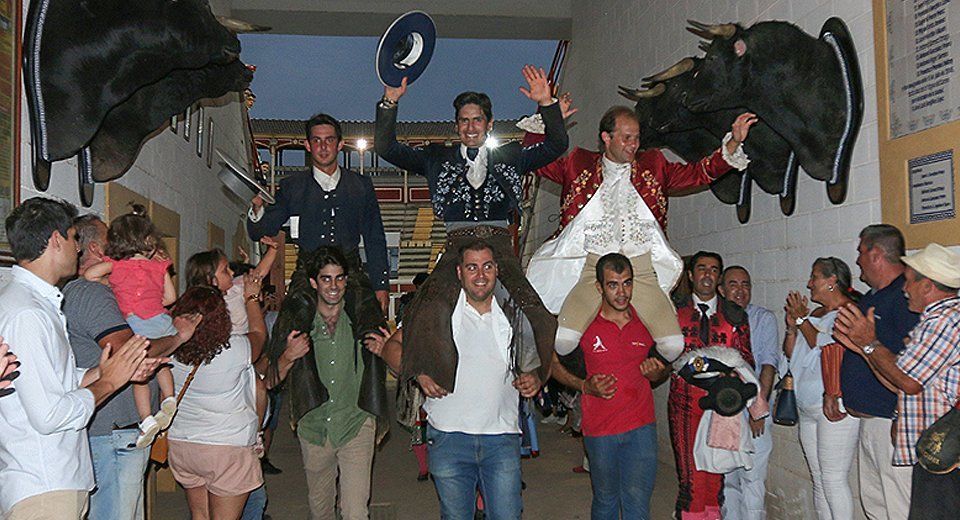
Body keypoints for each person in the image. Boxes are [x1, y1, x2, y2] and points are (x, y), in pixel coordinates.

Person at [374, 65, 567, 395]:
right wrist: (389, 101)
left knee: (535, 312)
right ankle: (432, 378)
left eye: (477, 119)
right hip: (455, 248)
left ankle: (531, 377)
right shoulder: (436, 157)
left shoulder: (511, 155)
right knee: (426, 309)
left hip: (500, 248)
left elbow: (556, 145)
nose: (470, 126)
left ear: (489, 124)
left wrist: (547, 104)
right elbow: (387, 148)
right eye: (464, 120)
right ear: (456, 126)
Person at [525, 104, 756, 360]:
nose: (633, 144)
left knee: (673, 347)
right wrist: (547, 116)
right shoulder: (579, 163)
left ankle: (633, 356)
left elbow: (698, 173)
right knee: (564, 342)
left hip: (640, 269)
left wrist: (733, 143)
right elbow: (537, 161)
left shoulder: (654, 164)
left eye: (636, 138)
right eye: (626, 138)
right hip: (594, 269)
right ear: (606, 138)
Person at [0, 197, 160, 519]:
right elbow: (50, 415)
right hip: (43, 484)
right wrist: (110, 383)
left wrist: (101, 371)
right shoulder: (27, 313)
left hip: (55, 480)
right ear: (56, 240)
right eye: (74, 238)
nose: (78, 248)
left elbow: (54, 381)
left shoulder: (36, 302)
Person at [365, 240, 544, 519]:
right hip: (450, 439)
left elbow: (539, 358)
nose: (480, 275)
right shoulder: (436, 312)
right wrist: (420, 371)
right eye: (472, 267)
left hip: (501, 439)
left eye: (487, 266)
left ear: (497, 270)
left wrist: (533, 378)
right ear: (459, 272)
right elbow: (391, 349)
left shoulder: (515, 313)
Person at [65, 213, 200, 520]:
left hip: (112, 431)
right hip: (112, 433)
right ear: (100, 249)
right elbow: (136, 351)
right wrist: (179, 336)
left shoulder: (97, 289)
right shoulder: (93, 293)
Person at [259, 247, 388, 520]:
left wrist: (384, 352)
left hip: (356, 423)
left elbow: (398, 368)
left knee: (356, 512)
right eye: (326, 278)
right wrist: (288, 356)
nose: (334, 286)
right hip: (314, 428)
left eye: (339, 278)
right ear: (314, 282)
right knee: (321, 511)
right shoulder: (297, 323)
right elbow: (271, 380)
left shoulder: (361, 320)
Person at [834, 243, 960, 520]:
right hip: (932, 449)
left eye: (909, 281)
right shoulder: (935, 320)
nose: (905, 289)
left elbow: (909, 382)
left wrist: (869, 344)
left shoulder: (944, 321)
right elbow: (897, 381)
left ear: (927, 286)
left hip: (944, 452)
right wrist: (863, 349)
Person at [247, 112, 389, 338]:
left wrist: (381, 285)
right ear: (307, 145)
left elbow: (374, 237)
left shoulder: (360, 185)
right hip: (307, 271)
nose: (323, 147)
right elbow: (259, 231)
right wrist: (257, 210)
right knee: (287, 331)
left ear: (340, 144)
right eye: (317, 140)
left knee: (376, 332)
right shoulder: (292, 186)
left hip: (350, 270)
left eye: (329, 140)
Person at [548, 252, 665, 519]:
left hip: (641, 428)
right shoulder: (583, 324)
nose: (622, 292)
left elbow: (663, 367)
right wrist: (585, 386)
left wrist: (657, 372)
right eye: (613, 284)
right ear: (600, 287)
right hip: (600, 430)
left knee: (637, 502)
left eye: (627, 283)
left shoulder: (647, 322)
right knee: (606, 499)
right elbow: (553, 365)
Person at [647, 251, 752, 520]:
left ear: (718, 278)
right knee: (691, 476)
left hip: (723, 408)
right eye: (702, 269)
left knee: (715, 475)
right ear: (691, 276)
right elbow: (657, 356)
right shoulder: (672, 311)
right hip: (684, 403)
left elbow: (747, 359)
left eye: (714, 269)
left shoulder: (735, 315)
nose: (707, 274)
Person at [166, 250, 265, 520]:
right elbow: (258, 335)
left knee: (200, 517)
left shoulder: (172, 348)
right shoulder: (233, 349)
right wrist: (252, 298)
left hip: (183, 445)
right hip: (225, 448)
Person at [829, 224, 917, 518]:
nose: (857, 261)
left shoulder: (906, 297)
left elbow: (913, 370)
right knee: (876, 507)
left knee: (899, 507)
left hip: (892, 424)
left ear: (875, 253)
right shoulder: (871, 297)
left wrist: (900, 416)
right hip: (869, 422)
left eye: (860, 252)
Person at [83, 209, 179, 448]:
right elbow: (170, 298)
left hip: (136, 324)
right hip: (161, 321)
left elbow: (89, 276)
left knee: (140, 374)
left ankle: (146, 419)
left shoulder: (116, 265)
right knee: (162, 363)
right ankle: (169, 397)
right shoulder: (159, 267)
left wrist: (109, 277)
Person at [783, 258, 860, 520]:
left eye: (814, 277)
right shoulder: (815, 315)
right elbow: (793, 354)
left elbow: (822, 342)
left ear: (831, 282)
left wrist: (802, 318)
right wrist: (792, 328)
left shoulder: (849, 312)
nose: (809, 283)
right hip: (807, 406)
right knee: (818, 478)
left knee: (833, 478)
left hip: (833, 406)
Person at [718, 266, 779, 520]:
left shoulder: (763, 319)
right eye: (733, 284)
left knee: (753, 480)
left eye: (746, 284)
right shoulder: (714, 321)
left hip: (755, 411)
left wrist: (758, 407)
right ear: (721, 290)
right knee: (728, 480)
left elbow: (768, 364)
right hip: (723, 414)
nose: (740, 290)